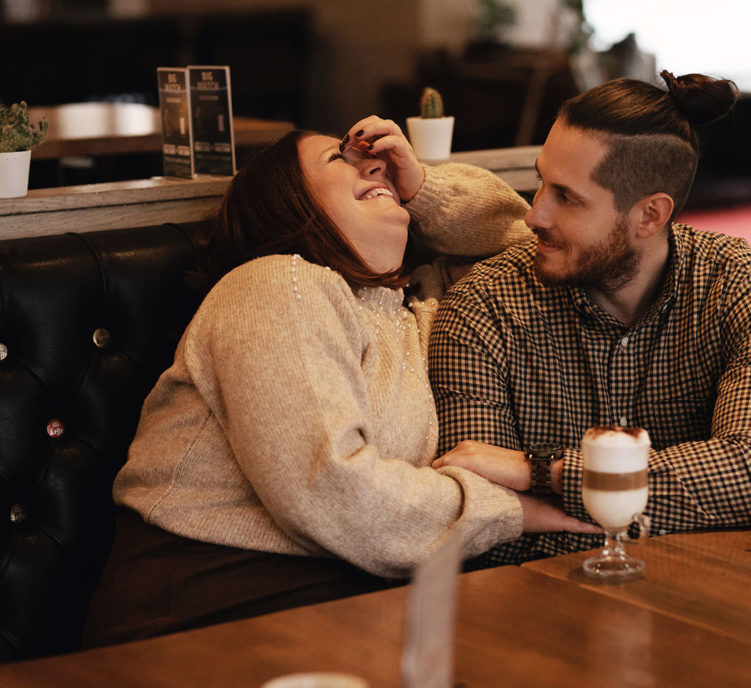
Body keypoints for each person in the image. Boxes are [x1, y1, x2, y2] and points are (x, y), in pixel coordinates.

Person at [83, 117, 598, 647]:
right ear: (288, 202)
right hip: (206, 602)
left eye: (373, 160)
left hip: (354, 601)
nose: (373, 164)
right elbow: (329, 487)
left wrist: (422, 186)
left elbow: (527, 235)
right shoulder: (274, 282)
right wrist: (517, 509)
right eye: (339, 159)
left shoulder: (419, 308)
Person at [428, 71, 751, 566]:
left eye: (567, 197)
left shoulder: (747, 290)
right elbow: (485, 513)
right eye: (541, 182)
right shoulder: (485, 308)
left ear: (650, 215)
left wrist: (544, 475)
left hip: (717, 597)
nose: (534, 215)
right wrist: (689, 503)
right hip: (542, 606)